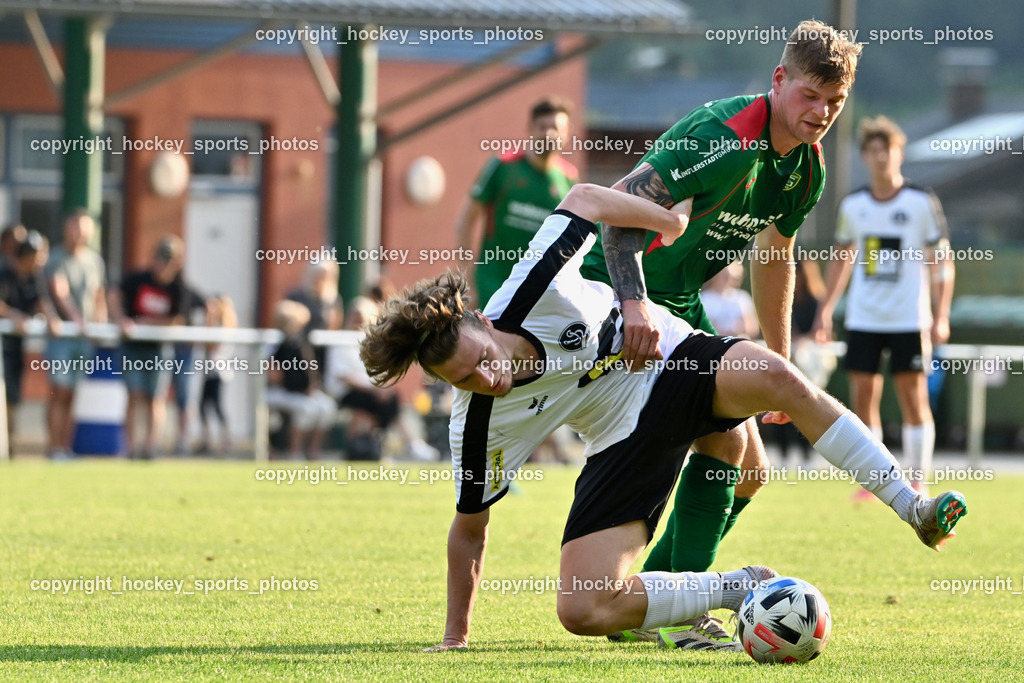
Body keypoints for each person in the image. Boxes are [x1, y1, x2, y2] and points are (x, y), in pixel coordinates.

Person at [360, 184, 967, 652]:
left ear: (484, 323)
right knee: (583, 609)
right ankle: (736, 587)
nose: (486, 378)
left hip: (670, 358)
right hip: (621, 434)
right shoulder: (477, 424)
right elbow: (469, 529)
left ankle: (910, 505)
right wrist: (456, 637)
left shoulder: (528, 287)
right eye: (464, 380)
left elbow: (584, 199)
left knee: (775, 385)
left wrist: (667, 224)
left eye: (483, 360)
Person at [578, 20, 861, 641]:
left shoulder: (806, 169)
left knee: (752, 472)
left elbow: (774, 257)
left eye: (834, 102)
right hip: (617, 298)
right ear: (779, 80)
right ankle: (678, 615)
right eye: (810, 95)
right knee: (729, 450)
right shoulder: (720, 135)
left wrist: (779, 365)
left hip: (682, 306)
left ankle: (648, 606)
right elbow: (615, 207)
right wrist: (632, 304)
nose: (820, 113)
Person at [814, 116, 955, 495]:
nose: (880, 158)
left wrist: (941, 315)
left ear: (899, 154)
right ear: (864, 156)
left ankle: (918, 481)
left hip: (910, 319)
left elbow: (942, 262)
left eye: (887, 150)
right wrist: (825, 310)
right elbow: (841, 260)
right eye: (873, 151)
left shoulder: (921, 202)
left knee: (913, 396)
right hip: (864, 318)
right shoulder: (854, 205)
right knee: (863, 397)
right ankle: (875, 481)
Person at [456, 95, 577, 309]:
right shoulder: (503, 166)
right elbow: (466, 221)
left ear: (567, 133)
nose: (549, 134)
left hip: (539, 296)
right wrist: (467, 280)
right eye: (542, 127)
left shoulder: (569, 178)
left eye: (556, 128)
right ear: (530, 128)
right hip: (492, 287)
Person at [329, 295, 439, 461]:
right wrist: (374, 389)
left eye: (362, 318)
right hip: (347, 392)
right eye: (355, 317)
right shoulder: (340, 342)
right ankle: (405, 444)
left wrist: (382, 387)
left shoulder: (369, 343)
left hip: (371, 392)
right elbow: (342, 376)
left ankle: (380, 446)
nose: (358, 322)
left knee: (390, 398)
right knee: (385, 403)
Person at [108, 236, 187, 460]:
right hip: (133, 347)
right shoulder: (137, 279)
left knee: (155, 398)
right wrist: (121, 319)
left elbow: (177, 320)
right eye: (160, 259)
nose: (162, 265)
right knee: (134, 395)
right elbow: (113, 295)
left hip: (159, 349)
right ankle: (131, 448)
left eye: (167, 260)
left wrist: (145, 323)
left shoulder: (179, 287)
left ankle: (151, 447)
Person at [45, 209, 108, 460]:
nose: (79, 233)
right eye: (75, 227)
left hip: (84, 339)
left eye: (84, 229)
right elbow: (59, 291)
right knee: (59, 391)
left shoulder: (95, 261)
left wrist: (100, 323)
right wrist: (77, 321)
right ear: (66, 229)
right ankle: (53, 447)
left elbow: (98, 294)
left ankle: (65, 448)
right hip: (62, 338)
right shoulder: (55, 258)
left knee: (73, 394)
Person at [0, 231, 56, 450]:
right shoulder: (4, 273)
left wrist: (52, 318)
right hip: (3, 343)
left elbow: (42, 302)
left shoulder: (35, 276)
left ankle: (9, 441)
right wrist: (14, 316)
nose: (42, 259)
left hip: (14, 347)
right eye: (39, 255)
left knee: (13, 394)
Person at [266, 299, 336, 461]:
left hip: (303, 391)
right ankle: (294, 452)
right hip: (280, 391)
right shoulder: (274, 344)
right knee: (306, 408)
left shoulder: (301, 342)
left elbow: (311, 370)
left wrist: (311, 386)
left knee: (327, 407)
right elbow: (274, 376)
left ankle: (313, 451)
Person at [196, 294, 236, 454]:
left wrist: (209, 321)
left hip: (218, 372)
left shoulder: (221, 327)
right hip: (209, 372)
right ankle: (206, 439)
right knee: (202, 407)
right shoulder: (216, 326)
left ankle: (226, 440)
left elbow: (210, 346)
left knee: (217, 406)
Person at [700, 261, 759, 339]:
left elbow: (752, 327)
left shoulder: (742, 297)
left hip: (740, 340)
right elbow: (705, 327)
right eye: (724, 274)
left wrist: (739, 328)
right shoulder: (704, 299)